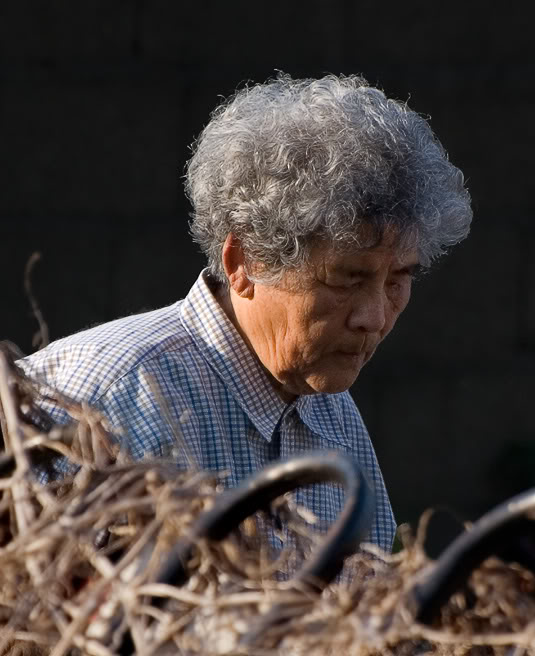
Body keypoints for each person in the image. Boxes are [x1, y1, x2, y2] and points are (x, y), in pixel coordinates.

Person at [18, 74, 473, 554]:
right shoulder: (108, 396)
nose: (375, 317)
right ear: (243, 263)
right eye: (347, 279)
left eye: (399, 280)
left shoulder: (331, 414)